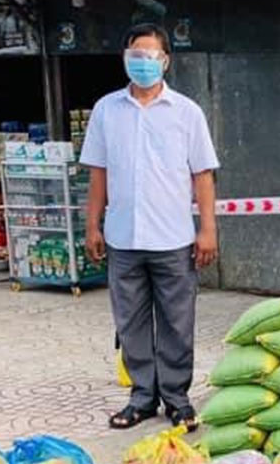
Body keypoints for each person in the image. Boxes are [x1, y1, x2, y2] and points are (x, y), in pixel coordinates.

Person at [83, 23, 219, 431]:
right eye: (134, 55)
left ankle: (177, 398)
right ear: (125, 58)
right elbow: (98, 173)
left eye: (149, 56)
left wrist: (207, 229)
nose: (141, 63)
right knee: (131, 322)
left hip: (173, 237)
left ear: (166, 61)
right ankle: (141, 397)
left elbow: (203, 176)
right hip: (123, 238)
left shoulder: (187, 113)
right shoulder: (107, 110)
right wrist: (93, 225)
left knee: (178, 322)